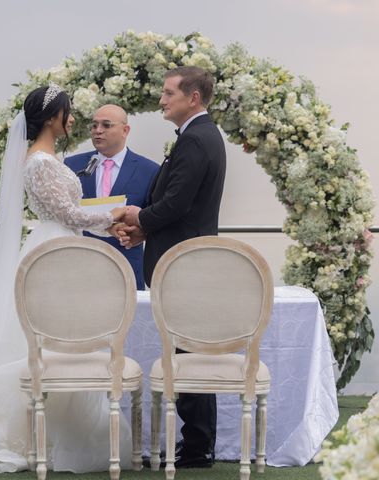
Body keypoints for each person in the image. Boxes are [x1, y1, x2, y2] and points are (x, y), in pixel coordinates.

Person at [0, 84, 131, 473]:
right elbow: (68, 214)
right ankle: (29, 432)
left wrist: (110, 225)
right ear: (53, 117)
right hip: (52, 252)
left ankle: (53, 428)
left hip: (65, 248)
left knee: (64, 338)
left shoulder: (48, 158)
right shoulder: (39, 162)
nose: (72, 120)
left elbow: (73, 213)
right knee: (40, 339)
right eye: (68, 113)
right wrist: (117, 216)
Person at [119, 66, 227, 468]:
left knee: (188, 352)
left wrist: (139, 217)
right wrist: (148, 230)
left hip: (185, 266)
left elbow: (178, 203)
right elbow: (185, 207)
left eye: (168, 93)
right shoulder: (199, 136)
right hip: (183, 259)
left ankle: (198, 447)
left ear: (192, 98)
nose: (162, 100)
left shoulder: (196, 140)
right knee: (186, 350)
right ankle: (197, 442)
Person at [64, 105, 159, 290]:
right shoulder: (72, 165)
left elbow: (154, 217)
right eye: (94, 125)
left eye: (106, 125)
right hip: (79, 264)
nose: (98, 131)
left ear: (125, 130)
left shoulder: (149, 170)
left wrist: (140, 233)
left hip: (126, 265)